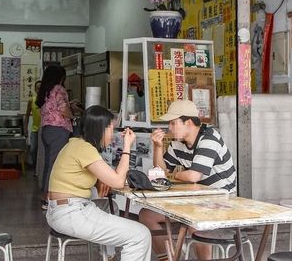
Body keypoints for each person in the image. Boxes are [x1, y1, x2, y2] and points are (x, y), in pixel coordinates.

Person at [46, 105, 152, 261]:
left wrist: (100, 180)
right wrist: (127, 146)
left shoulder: (76, 144)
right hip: (71, 213)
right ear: (100, 129)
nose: (113, 134)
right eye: (111, 129)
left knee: (111, 206)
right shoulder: (85, 149)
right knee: (140, 235)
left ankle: (109, 256)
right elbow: (117, 181)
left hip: (62, 209)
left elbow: (105, 176)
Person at [138, 100, 237, 261]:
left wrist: (175, 175)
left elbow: (193, 176)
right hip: (194, 199)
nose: (169, 128)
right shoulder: (178, 143)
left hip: (222, 201)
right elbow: (160, 173)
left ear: (189, 122)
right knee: (146, 215)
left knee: (193, 221)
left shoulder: (209, 138)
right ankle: (169, 258)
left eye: (173, 123)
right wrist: (157, 146)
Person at [37, 65, 76, 210]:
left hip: (46, 131)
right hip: (58, 130)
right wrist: (74, 115)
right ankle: (49, 200)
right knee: (55, 165)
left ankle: (46, 195)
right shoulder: (59, 89)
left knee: (49, 164)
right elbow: (63, 109)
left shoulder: (45, 91)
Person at [24, 80, 42, 170]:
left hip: (44, 130)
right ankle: (35, 168)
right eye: (37, 88)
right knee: (33, 149)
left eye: (40, 88)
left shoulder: (47, 100)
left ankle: (40, 169)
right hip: (35, 129)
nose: (39, 90)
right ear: (35, 89)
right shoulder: (32, 100)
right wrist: (25, 129)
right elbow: (27, 115)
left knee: (41, 150)